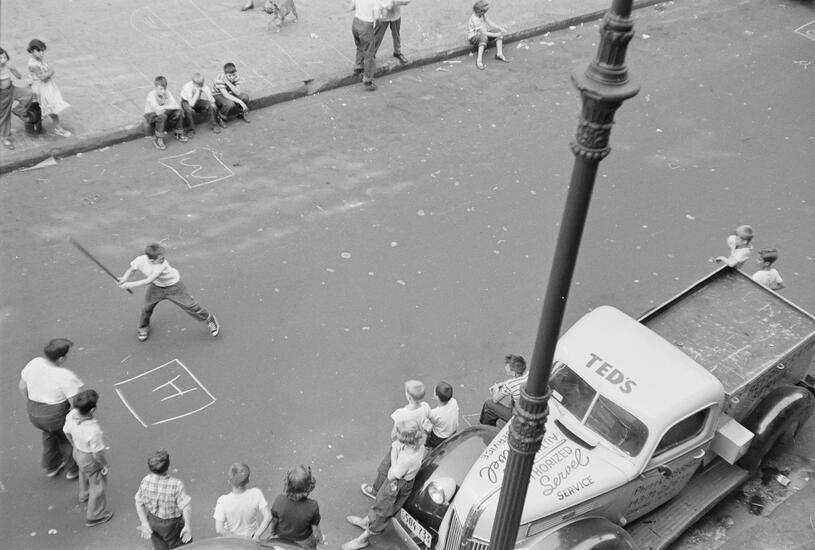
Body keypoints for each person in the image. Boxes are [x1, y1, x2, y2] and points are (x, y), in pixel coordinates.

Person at [342, 420, 426, 550]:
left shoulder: (407, 459)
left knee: (383, 512)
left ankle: (363, 539)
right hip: (402, 482)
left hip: (397, 485)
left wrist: (394, 451)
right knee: (380, 503)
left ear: (406, 440)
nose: (396, 435)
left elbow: (392, 475)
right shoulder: (419, 446)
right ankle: (366, 521)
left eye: (399, 434)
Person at [118, 243, 220, 342]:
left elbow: (148, 280)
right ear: (151, 260)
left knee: (191, 306)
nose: (163, 259)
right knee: (146, 308)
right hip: (156, 287)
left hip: (174, 287)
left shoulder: (162, 265)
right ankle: (143, 328)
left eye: (162, 256)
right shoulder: (140, 260)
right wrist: (124, 278)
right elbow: (132, 269)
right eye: (160, 258)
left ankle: (210, 320)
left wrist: (129, 285)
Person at [18, 338, 82, 479]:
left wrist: (29, 403)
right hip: (55, 415)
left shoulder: (34, 363)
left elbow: (22, 386)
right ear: (61, 358)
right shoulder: (65, 376)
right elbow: (74, 402)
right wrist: (75, 420)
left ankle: (52, 466)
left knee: (49, 434)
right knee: (65, 438)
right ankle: (73, 469)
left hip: (34, 411)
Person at [360, 380, 430, 499]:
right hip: (414, 443)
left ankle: (376, 491)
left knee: (385, 468)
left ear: (409, 397)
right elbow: (429, 419)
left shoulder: (401, 413)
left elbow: (393, 436)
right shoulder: (425, 407)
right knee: (404, 471)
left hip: (401, 445)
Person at [63, 389, 114, 527]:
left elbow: (66, 431)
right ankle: (95, 515)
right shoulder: (93, 430)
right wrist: (104, 465)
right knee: (97, 485)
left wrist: (74, 444)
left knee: (83, 471)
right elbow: (97, 453)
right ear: (92, 410)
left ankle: (84, 493)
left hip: (77, 451)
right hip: (89, 457)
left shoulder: (71, 415)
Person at [135, 449, 193, 549]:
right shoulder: (176, 485)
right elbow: (186, 507)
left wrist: (144, 522)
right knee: (180, 546)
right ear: (168, 467)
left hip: (153, 520)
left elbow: (138, 502)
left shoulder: (146, 480)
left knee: (159, 547)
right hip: (172, 524)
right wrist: (187, 525)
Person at [270, 465, 326, 549]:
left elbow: (274, 521)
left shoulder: (279, 500)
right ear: (308, 487)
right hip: (304, 542)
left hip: (282, 540)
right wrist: (320, 538)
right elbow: (315, 527)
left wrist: (273, 532)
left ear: (287, 484)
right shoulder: (312, 506)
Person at [213, 463, 271, 540]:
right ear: (247, 480)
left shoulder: (222, 500)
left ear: (229, 481)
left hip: (232, 540)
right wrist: (256, 536)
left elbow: (219, 529)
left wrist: (237, 538)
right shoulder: (256, 493)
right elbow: (268, 516)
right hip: (252, 538)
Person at [26, 39, 71, 136]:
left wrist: (49, 72)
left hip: (47, 86)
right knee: (51, 109)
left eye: (42, 51)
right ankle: (58, 128)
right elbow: (43, 77)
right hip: (42, 88)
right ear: (32, 51)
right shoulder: (33, 65)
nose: (41, 53)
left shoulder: (39, 59)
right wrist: (51, 72)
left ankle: (43, 123)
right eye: (39, 51)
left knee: (49, 108)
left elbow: (47, 70)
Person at [0, 46, 35, 150]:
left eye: (4, 57)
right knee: (5, 116)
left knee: (29, 93)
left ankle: (19, 110)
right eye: (0, 58)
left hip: (12, 89)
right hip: (3, 95)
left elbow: (18, 76)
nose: (3, 59)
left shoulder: (8, 65)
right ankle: (4, 138)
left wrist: (13, 70)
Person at [479, 354, 527, 426]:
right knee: (512, 401)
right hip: (528, 409)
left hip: (519, 417)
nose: (505, 368)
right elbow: (515, 382)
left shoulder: (510, 384)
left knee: (488, 404)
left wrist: (496, 389)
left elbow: (495, 399)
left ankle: (487, 428)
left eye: (507, 368)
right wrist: (502, 384)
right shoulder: (529, 374)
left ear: (513, 372)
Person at [144, 75, 188, 151]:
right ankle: (158, 139)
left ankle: (178, 133)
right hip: (151, 114)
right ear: (155, 88)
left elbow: (175, 104)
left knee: (179, 111)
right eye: (160, 89)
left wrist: (169, 107)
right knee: (162, 116)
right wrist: (169, 107)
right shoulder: (151, 95)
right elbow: (157, 110)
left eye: (164, 89)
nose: (163, 91)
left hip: (163, 111)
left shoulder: (167, 92)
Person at [467, 0, 509, 70]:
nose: (486, 12)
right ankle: (479, 60)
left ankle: (499, 54)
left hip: (483, 34)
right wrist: (496, 35)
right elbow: (483, 33)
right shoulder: (475, 19)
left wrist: (500, 28)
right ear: (480, 11)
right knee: (484, 38)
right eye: (485, 11)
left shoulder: (482, 15)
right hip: (474, 37)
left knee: (498, 32)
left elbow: (490, 23)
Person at [350, 0, 380, 91]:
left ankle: (358, 66)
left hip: (355, 23)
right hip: (366, 26)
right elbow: (377, 16)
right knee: (369, 53)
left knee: (359, 46)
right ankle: (368, 79)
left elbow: (352, 7)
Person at [373, 0, 411, 65]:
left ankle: (397, 52)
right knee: (377, 36)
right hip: (383, 14)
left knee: (396, 35)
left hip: (396, 14)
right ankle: (370, 54)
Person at [424, 381, 459, 448]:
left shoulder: (434, 413)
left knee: (423, 440)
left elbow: (427, 429)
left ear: (436, 396)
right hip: (453, 432)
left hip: (440, 438)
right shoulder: (454, 401)